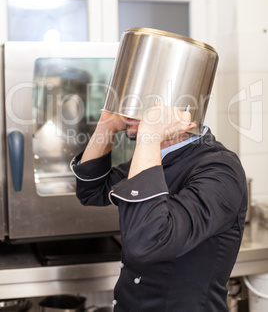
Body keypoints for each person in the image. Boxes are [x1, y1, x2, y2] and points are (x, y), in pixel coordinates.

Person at [70, 102, 247, 312]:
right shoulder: (158, 157)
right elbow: (92, 190)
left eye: (140, 103)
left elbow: (146, 243)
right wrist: (106, 126)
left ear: (179, 111)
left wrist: (150, 138)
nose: (127, 111)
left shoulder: (220, 171)